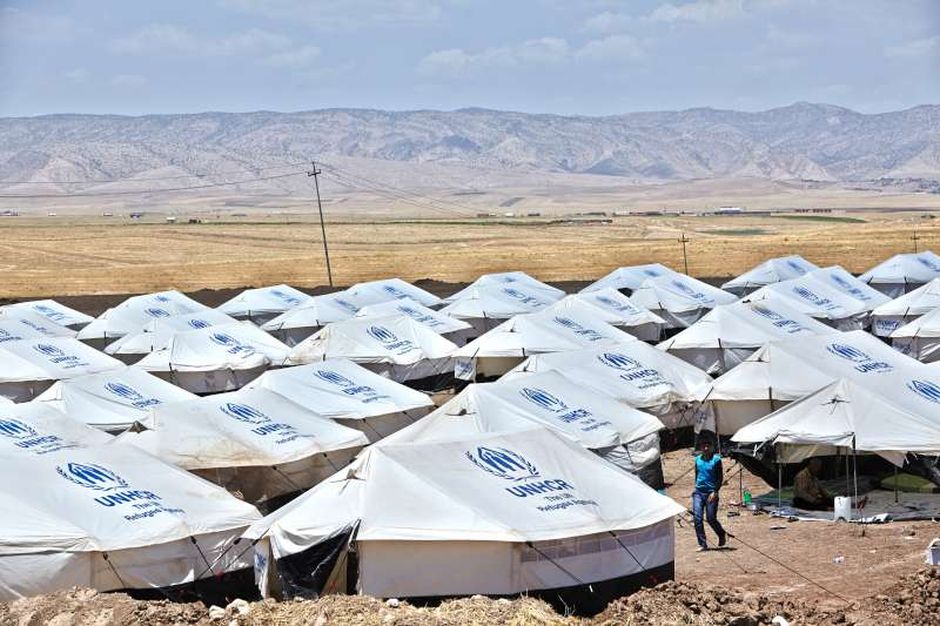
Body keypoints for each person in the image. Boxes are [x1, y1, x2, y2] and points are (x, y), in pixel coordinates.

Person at [792, 458, 867, 511]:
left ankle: (853, 505)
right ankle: (828, 508)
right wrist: (813, 500)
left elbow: (821, 489)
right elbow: (801, 493)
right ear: (811, 466)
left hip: (814, 498)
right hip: (803, 499)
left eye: (818, 467)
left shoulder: (814, 476)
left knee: (831, 500)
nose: (818, 469)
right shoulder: (802, 476)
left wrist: (828, 497)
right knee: (810, 504)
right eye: (816, 467)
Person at [692, 438, 727, 551]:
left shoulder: (716, 460)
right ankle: (702, 544)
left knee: (711, 518)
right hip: (698, 492)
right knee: (697, 518)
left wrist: (715, 491)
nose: (706, 448)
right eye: (703, 446)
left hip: (711, 492)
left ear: (711, 447)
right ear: (701, 447)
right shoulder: (697, 460)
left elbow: (719, 478)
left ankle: (721, 534)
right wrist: (696, 488)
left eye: (708, 446)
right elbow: (697, 475)